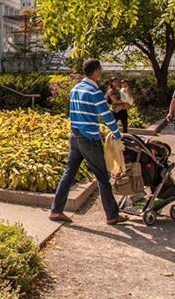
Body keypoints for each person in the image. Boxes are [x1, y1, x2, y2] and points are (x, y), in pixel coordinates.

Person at [50, 59, 128, 225]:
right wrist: (117, 133)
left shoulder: (75, 89)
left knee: (69, 173)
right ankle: (112, 215)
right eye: (100, 69)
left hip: (76, 136)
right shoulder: (95, 92)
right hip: (89, 140)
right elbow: (106, 115)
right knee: (102, 175)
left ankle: (56, 210)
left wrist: (93, 128)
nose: (101, 72)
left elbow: (76, 114)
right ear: (96, 71)